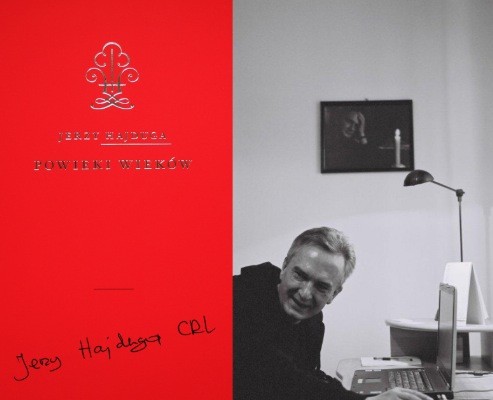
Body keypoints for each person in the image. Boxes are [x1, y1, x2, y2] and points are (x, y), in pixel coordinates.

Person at [233, 227, 432, 400]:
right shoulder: (238, 298)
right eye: (300, 275)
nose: (305, 293)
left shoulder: (312, 320)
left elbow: (308, 376)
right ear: (284, 267)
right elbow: (278, 378)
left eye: (321, 286)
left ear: (334, 294)